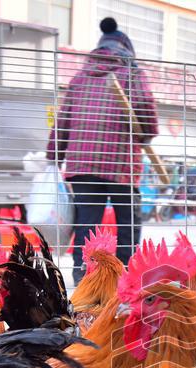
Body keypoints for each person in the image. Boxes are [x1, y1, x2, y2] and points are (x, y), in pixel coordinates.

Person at [47, 17, 158, 283]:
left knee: (87, 223)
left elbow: (63, 118)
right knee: (127, 224)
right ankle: (125, 277)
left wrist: (53, 154)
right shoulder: (132, 72)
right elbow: (146, 109)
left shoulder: (80, 77)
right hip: (121, 163)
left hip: (82, 165)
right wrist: (147, 132)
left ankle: (83, 277)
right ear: (126, 50)